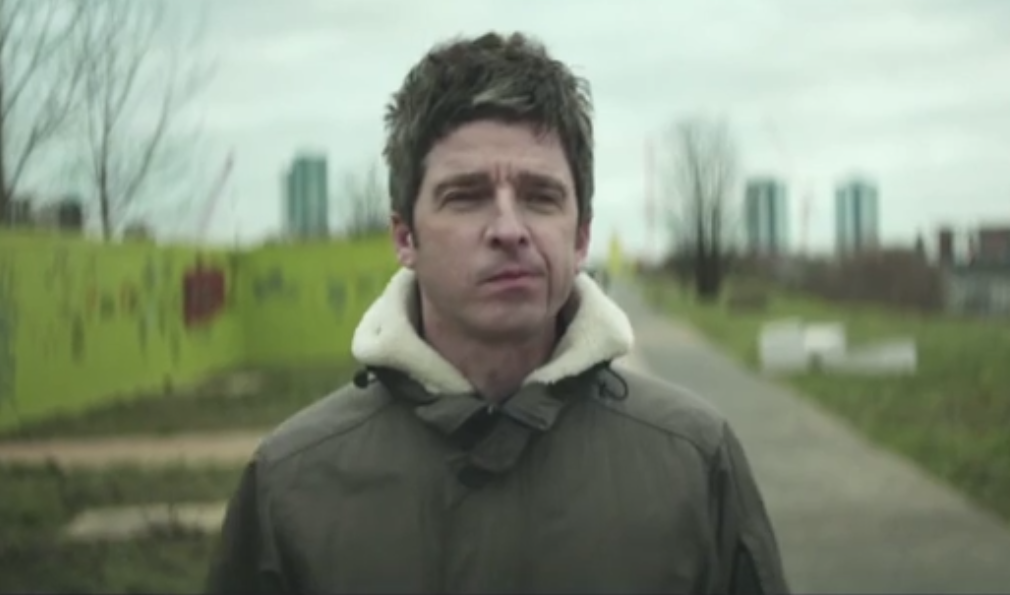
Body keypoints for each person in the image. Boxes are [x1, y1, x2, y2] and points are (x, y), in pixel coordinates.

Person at [205, 32, 789, 594]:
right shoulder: (291, 483)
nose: (509, 229)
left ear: (581, 237)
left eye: (541, 197)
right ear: (405, 236)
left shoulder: (694, 462)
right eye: (466, 196)